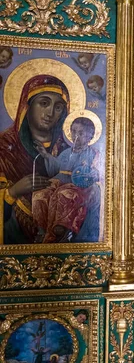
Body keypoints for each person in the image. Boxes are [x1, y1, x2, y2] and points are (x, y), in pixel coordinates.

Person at [0, 75, 71, 244]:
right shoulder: (4, 148)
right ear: (27, 105)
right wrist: (13, 192)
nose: (50, 113)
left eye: (58, 107)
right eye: (44, 103)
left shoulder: (68, 150)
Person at [31, 116, 100, 243]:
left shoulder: (94, 153)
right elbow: (55, 169)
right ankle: (42, 230)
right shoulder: (66, 153)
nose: (76, 136)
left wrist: (92, 173)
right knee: (40, 195)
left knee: (63, 194)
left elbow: (96, 172)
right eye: (73, 131)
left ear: (90, 136)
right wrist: (45, 155)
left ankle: (59, 231)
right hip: (59, 182)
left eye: (81, 133)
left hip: (78, 185)